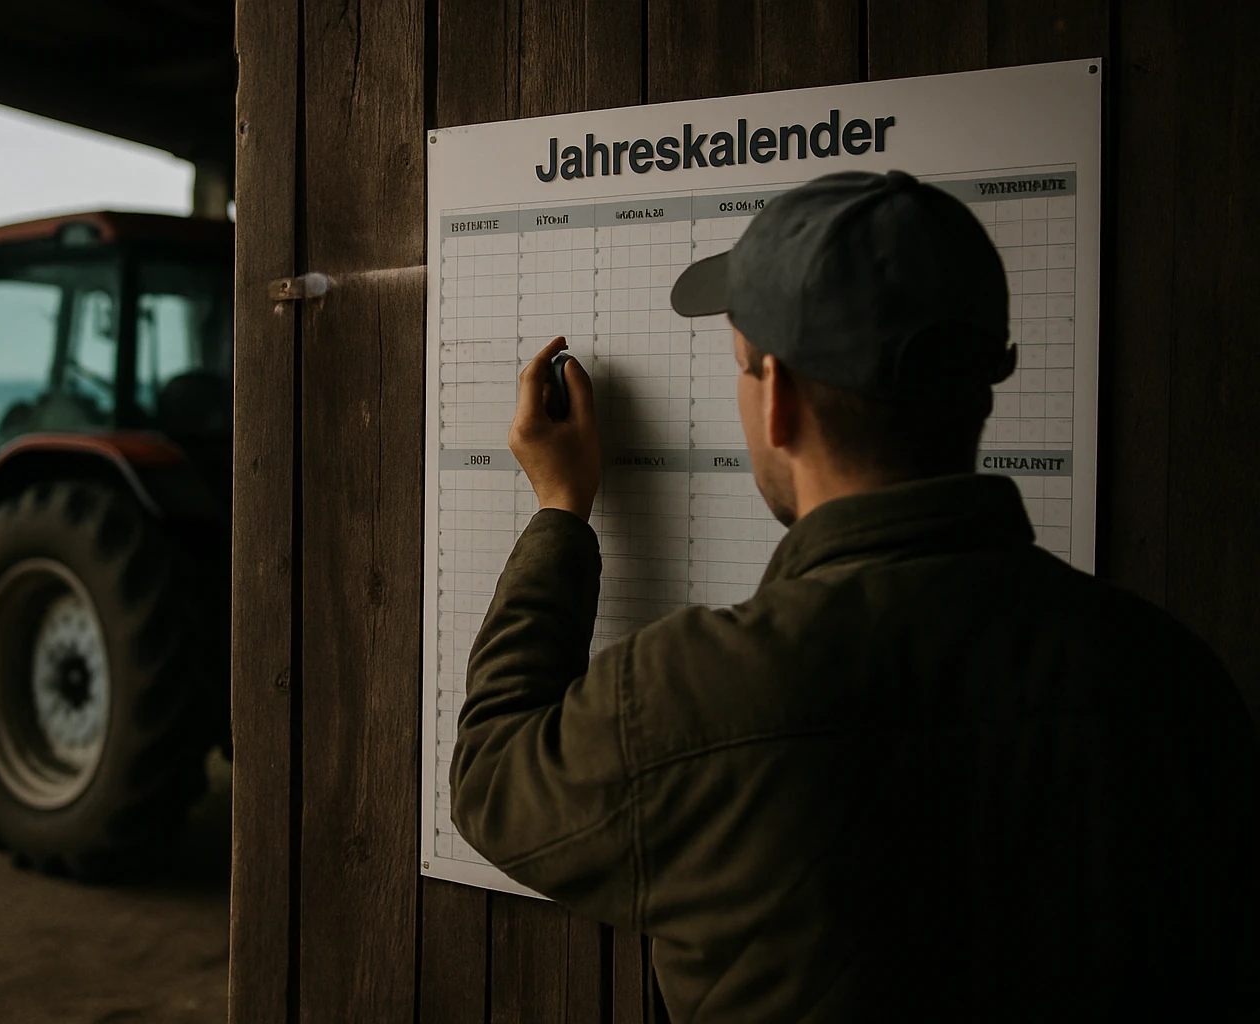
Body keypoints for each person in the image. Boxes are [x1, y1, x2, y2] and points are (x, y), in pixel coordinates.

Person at [450, 170, 1258, 1022]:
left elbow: (495, 775)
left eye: (739, 366)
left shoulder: (696, 694)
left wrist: (559, 510)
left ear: (782, 402)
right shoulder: (1175, 679)